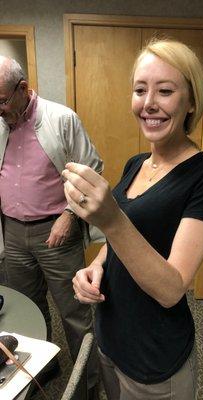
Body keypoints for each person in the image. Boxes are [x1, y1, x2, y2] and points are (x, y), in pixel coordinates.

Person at [63, 39, 203, 400]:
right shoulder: (136, 163)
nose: (149, 103)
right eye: (140, 90)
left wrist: (110, 219)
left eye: (166, 91)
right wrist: (96, 266)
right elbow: (119, 243)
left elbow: (173, 289)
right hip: (111, 334)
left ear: (191, 102)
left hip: (155, 354)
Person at [0, 56, 102, 398]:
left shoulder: (61, 119)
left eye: (1, 100)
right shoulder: (0, 122)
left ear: (22, 90)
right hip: (12, 233)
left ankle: (87, 387)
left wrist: (71, 213)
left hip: (56, 233)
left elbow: (93, 169)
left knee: (74, 313)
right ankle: (42, 369)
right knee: (27, 308)